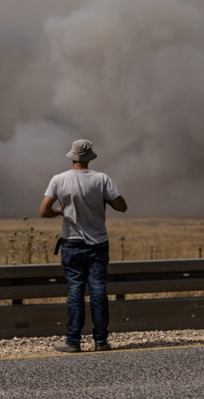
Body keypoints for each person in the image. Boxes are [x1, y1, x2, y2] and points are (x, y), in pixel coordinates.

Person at [39, 139, 128, 353]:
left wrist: (62, 211)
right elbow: (121, 207)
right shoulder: (102, 179)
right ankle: (101, 341)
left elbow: (43, 211)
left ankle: (72, 341)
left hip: (72, 243)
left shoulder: (58, 180)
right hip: (98, 243)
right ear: (90, 158)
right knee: (98, 289)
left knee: (75, 290)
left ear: (72, 157)